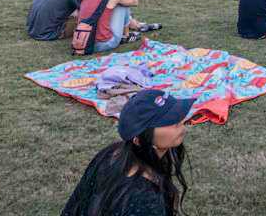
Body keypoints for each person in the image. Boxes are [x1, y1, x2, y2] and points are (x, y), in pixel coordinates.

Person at [62, 89, 192, 216]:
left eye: (178, 114)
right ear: (139, 140)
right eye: (169, 120)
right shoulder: (144, 200)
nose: (181, 121)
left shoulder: (111, 153)